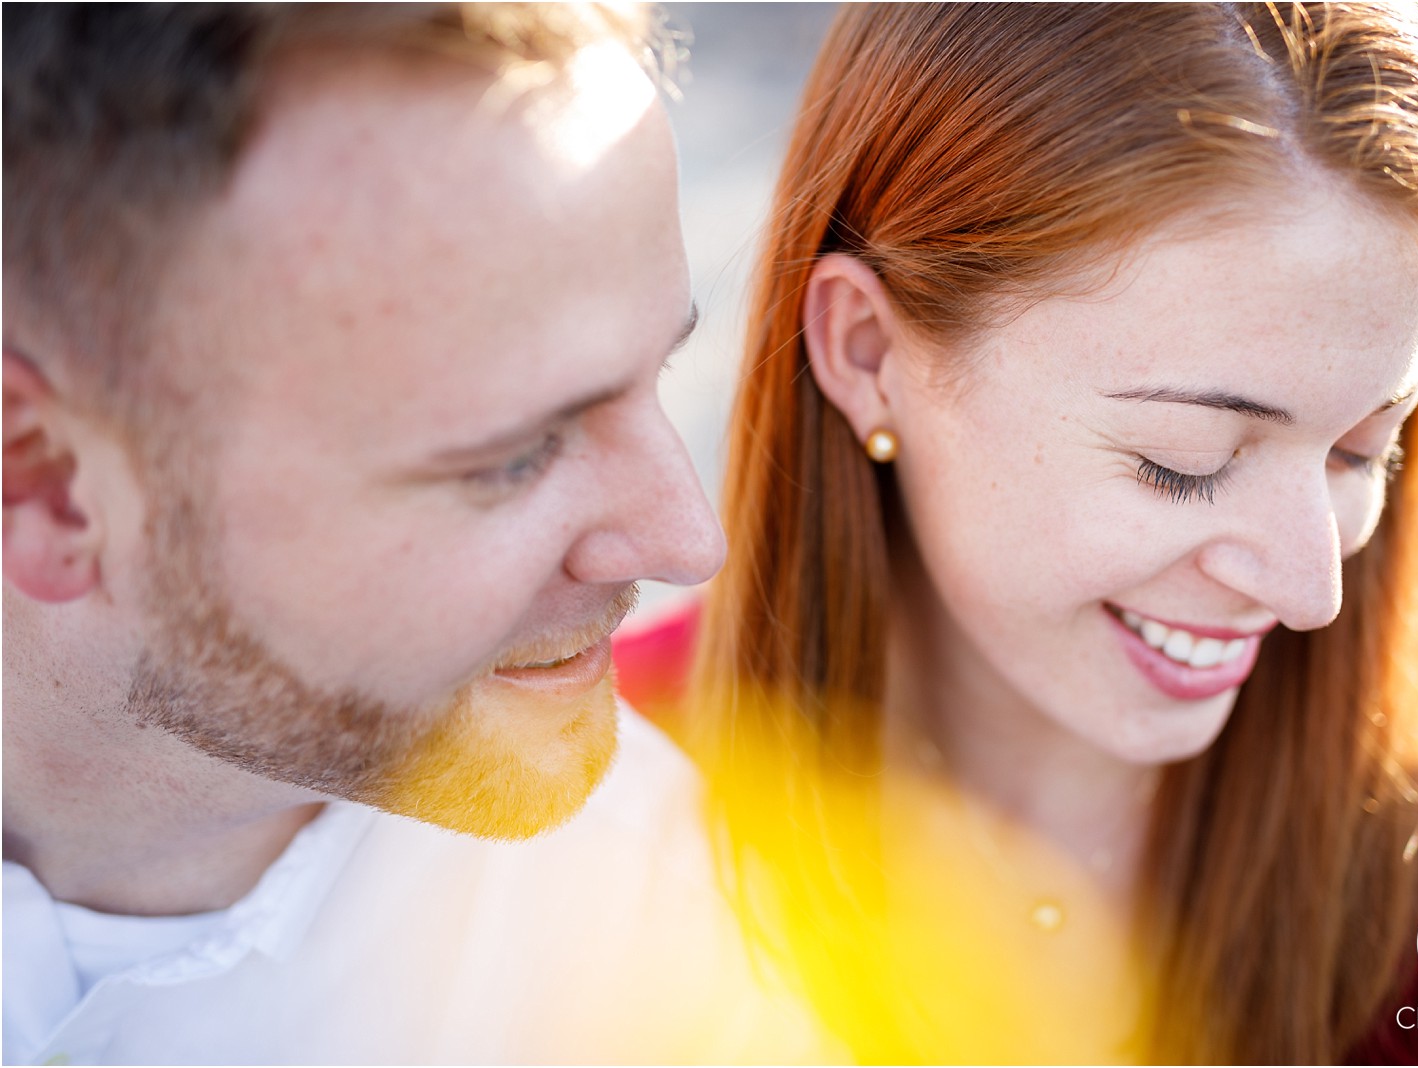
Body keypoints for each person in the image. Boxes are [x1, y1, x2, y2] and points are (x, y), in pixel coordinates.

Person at [614, 3, 1418, 1063]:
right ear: (865, 352)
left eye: (1362, 449)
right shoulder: (581, 809)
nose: (1311, 589)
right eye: (1183, 461)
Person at [2, 4, 820, 1063]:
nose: (686, 541)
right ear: (53, 484)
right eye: (511, 456)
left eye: (653, 376)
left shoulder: (665, 948)